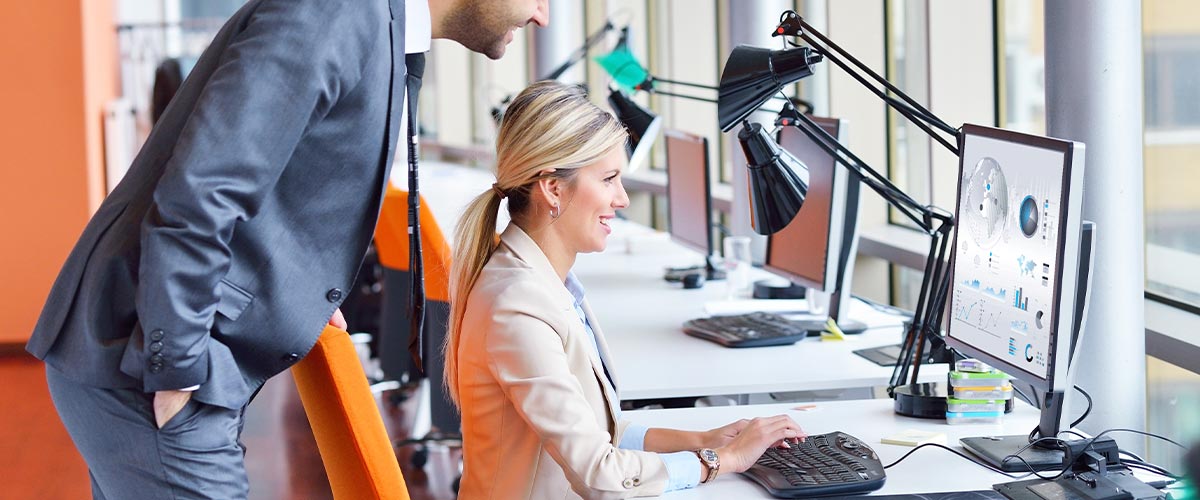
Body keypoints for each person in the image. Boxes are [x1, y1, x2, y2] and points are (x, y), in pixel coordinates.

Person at [27, 0, 547, 498]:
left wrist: (304, 296)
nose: (543, 15)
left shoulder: (374, 25)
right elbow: (203, 189)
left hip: (151, 356)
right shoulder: (337, 11)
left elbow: (288, 180)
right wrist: (175, 369)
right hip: (144, 359)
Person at [445, 81, 808, 498]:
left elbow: (605, 433)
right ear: (553, 188)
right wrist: (722, 462)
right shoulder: (518, 306)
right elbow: (600, 476)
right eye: (609, 179)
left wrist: (708, 440)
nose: (622, 199)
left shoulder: (545, 283)